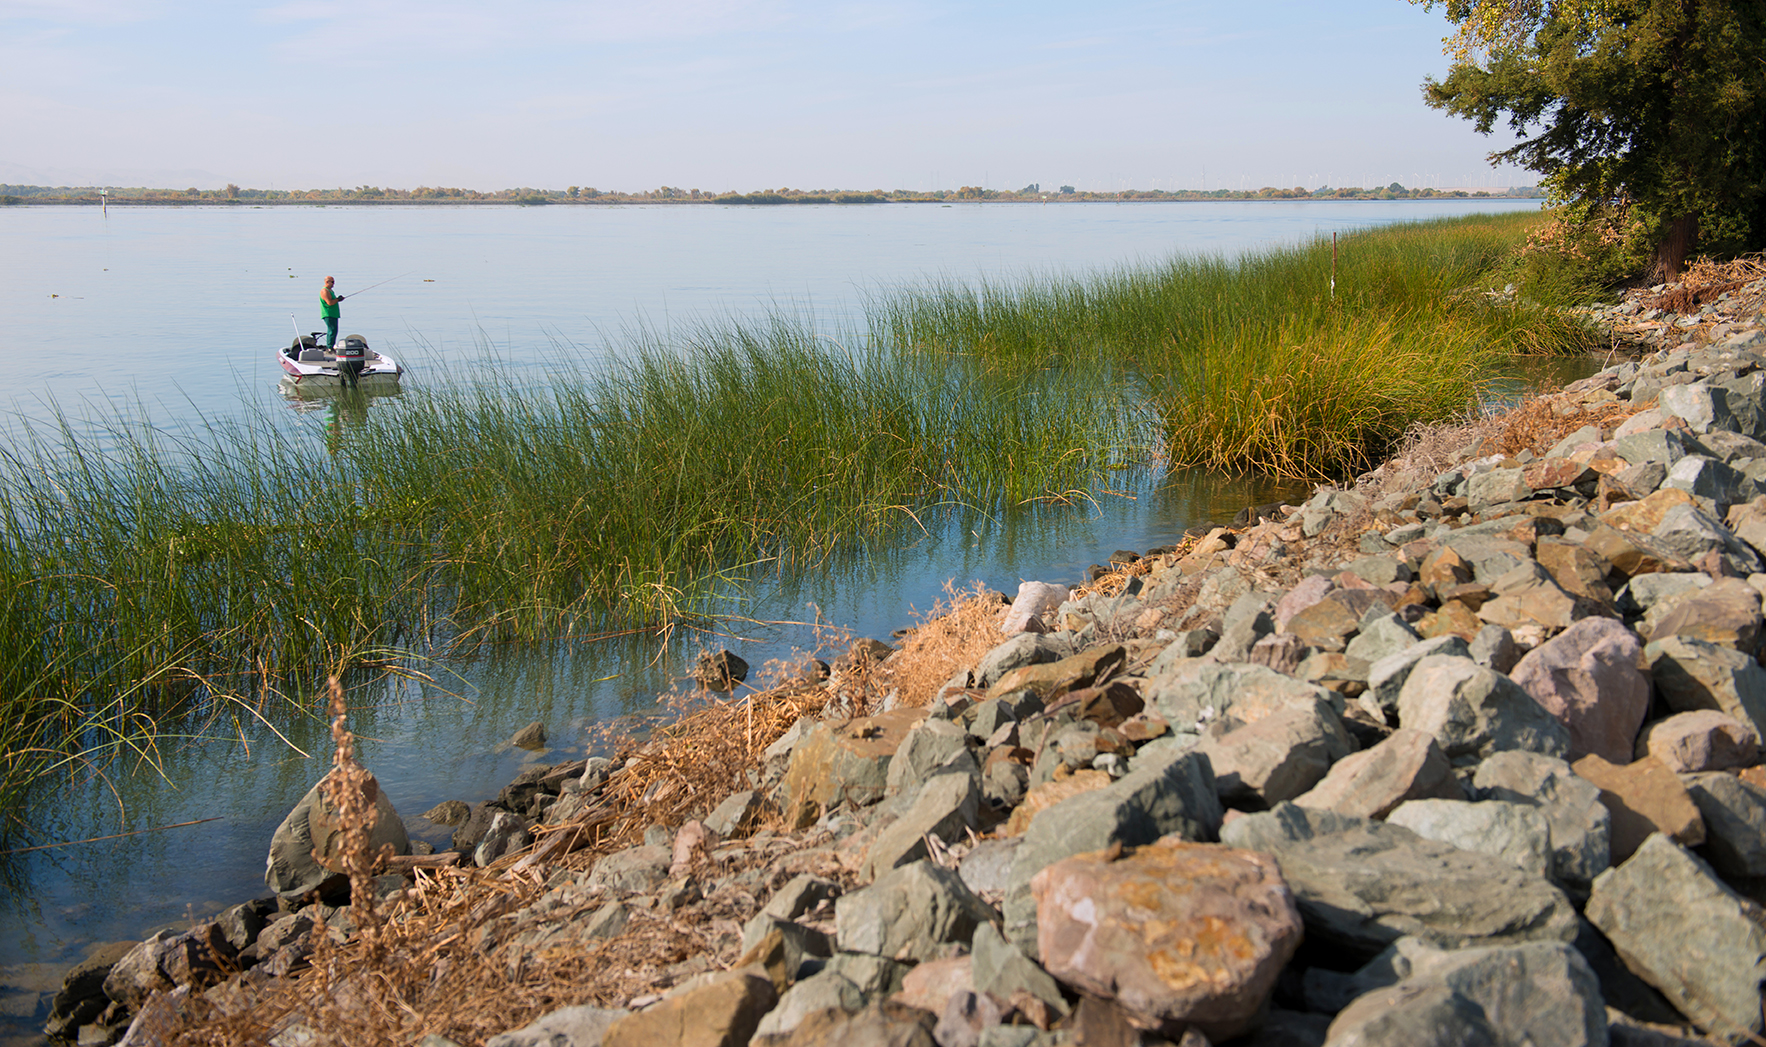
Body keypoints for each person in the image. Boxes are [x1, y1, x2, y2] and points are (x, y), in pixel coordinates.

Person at [320, 276, 345, 351]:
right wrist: (338, 299)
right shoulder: (324, 291)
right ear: (327, 282)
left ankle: (331, 346)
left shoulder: (330, 290)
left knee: (334, 330)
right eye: (332, 282)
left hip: (333, 314)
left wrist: (338, 299)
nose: (334, 284)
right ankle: (329, 348)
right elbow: (329, 302)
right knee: (332, 330)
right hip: (328, 314)